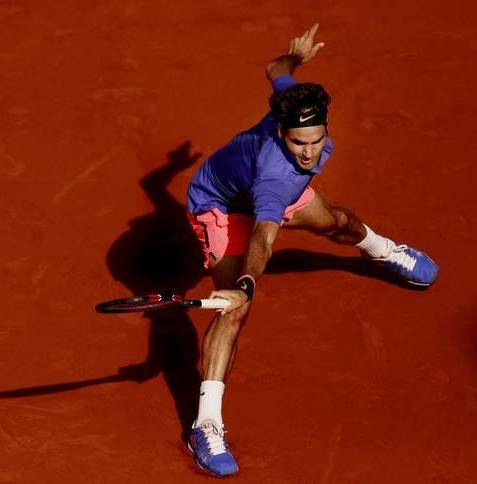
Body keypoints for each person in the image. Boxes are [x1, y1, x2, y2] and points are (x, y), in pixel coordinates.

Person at [184, 24, 438, 477]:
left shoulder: (297, 104)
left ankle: (381, 251)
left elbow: (275, 68)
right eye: (298, 143)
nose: (309, 152)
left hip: (270, 195)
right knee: (232, 310)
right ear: (281, 133)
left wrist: (293, 57)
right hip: (221, 206)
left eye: (316, 140)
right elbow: (263, 237)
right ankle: (205, 425)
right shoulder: (275, 178)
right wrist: (244, 282)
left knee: (337, 222)